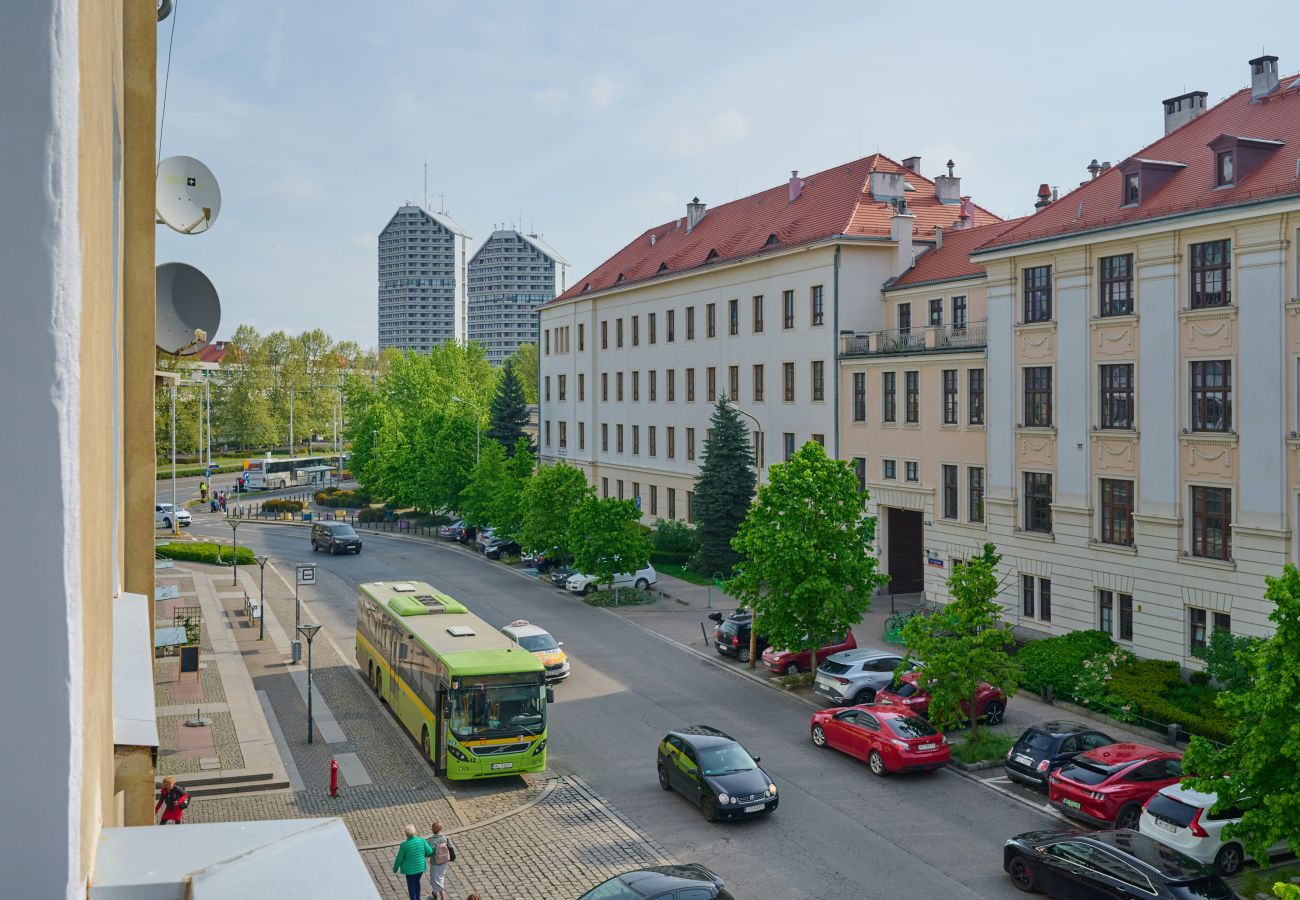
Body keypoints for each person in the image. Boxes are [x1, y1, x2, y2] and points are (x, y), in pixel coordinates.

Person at [391, 824, 431, 900]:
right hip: (420, 868)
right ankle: (418, 898)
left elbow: (399, 858)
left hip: (410, 871)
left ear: (406, 834)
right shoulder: (422, 840)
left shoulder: (404, 845)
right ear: (415, 832)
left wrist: (395, 868)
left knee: (411, 886)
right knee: (417, 882)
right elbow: (429, 851)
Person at [428, 821, 455, 900]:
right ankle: (434, 892)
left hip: (435, 863)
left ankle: (443, 898)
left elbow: (428, 853)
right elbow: (452, 848)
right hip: (444, 861)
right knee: (439, 877)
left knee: (437, 880)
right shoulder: (445, 838)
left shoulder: (431, 841)